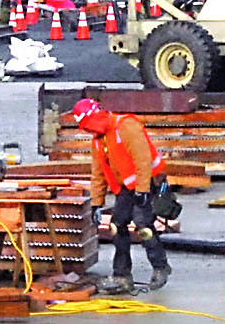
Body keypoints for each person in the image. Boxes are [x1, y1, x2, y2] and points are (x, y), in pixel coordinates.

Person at [73, 98, 172, 293]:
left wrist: (143, 190)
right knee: (117, 226)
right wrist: (96, 203)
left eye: (88, 127)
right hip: (127, 186)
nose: (88, 132)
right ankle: (122, 276)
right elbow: (98, 173)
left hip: (149, 180)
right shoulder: (98, 141)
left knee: (143, 225)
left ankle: (161, 267)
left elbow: (143, 160)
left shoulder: (125, 126)